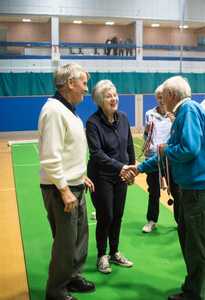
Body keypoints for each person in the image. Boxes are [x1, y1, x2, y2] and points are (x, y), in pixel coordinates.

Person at [131, 76, 205, 300]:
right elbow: (169, 151)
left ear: (172, 95)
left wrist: (165, 151)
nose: (162, 101)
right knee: (189, 237)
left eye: (163, 96)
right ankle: (203, 280)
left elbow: (187, 149)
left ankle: (193, 293)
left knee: (195, 242)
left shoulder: (187, 111)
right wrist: (140, 168)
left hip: (200, 189)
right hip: (195, 188)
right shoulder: (184, 112)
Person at [38, 62, 95, 300]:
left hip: (74, 183)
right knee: (65, 242)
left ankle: (73, 277)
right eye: (83, 83)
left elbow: (66, 150)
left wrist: (78, 174)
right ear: (69, 83)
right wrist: (64, 188)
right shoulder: (54, 111)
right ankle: (56, 290)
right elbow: (50, 157)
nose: (86, 88)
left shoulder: (68, 109)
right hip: (61, 188)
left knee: (80, 235)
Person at [86, 79, 135, 274]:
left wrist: (131, 168)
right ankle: (101, 255)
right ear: (99, 100)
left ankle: (114, 252)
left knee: (118, 215)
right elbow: (96, 154)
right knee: (105, 216)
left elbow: (129, 146)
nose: (113, 98)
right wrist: (121, 167)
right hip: (101, 176)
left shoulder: (123, 117)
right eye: (108, 96)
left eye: (114, 94)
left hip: (121, 175)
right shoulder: (92, 123)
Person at [141, 84, 181, 233]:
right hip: (153, 158)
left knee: (177, 190)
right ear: (156, 99)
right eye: (159, 97)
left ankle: (180, 221)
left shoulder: (175, 115)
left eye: (163, 97)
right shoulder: (149, 114)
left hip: (170, 158)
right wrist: (146, 130)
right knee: (154, 191)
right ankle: (152, 221)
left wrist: (174, 122)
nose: (161, 100)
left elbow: (179, 136)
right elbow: (147, 139)